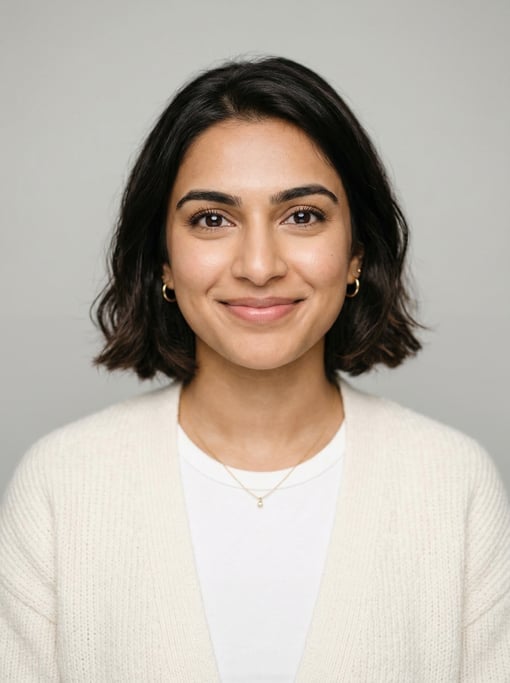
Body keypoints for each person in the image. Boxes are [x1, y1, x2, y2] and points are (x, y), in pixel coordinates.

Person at [1, 56, 509, 682]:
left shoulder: (451, 485)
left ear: (356, 254)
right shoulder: (61, 488)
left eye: (302, 215)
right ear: (162, 260)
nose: (260, 265)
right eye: (212, 219)